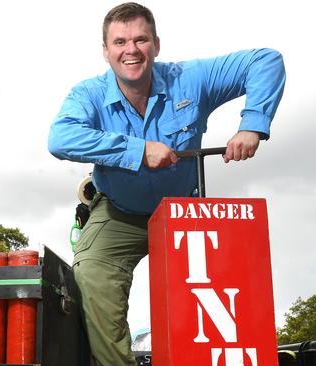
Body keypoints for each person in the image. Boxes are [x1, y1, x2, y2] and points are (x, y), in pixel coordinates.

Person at [48, 2, 286, 365]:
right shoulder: (87, 94)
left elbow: (266, 61)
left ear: (156, 44)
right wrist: (138, 150)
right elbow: (60, 139)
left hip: (183, 214)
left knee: (218, 297)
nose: (131, 50)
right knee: (90, 274)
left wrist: (253, 124)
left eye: (140, 39)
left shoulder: (189, 78)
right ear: (105, 51)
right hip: (118, 213)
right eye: (120, 42)